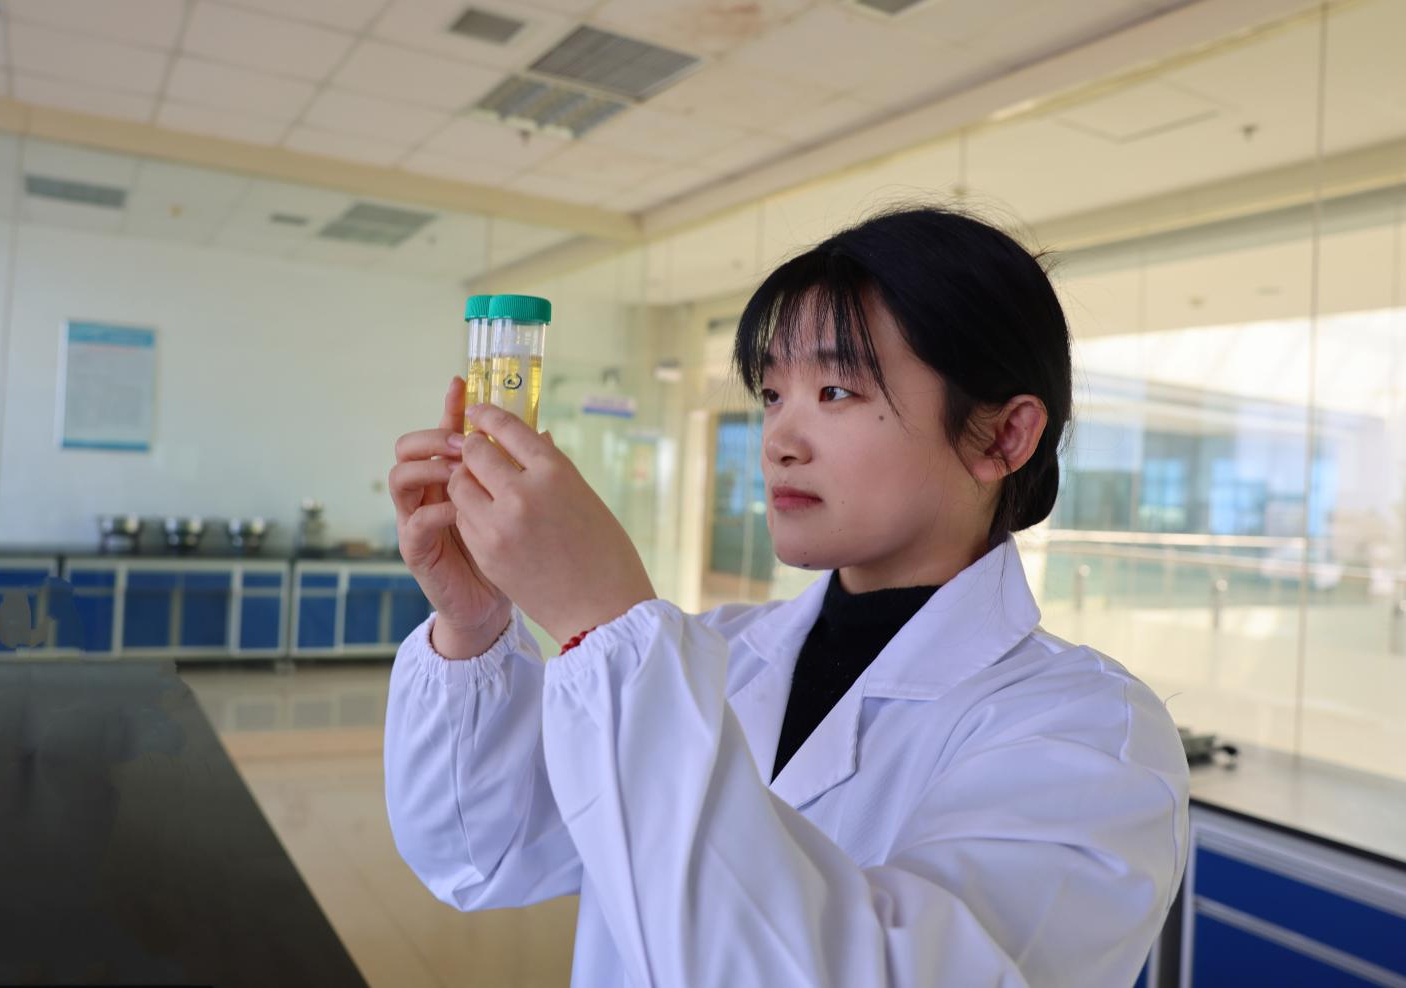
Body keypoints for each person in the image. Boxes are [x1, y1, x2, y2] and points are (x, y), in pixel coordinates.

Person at [383, 206, 1189, 987]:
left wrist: (603, 622)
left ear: (1003, 436)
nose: (777, 441)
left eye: (835, 391)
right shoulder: (721, 652)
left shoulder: (1087, 735)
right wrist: (474, 622)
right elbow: (482, 855)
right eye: (772, 395)